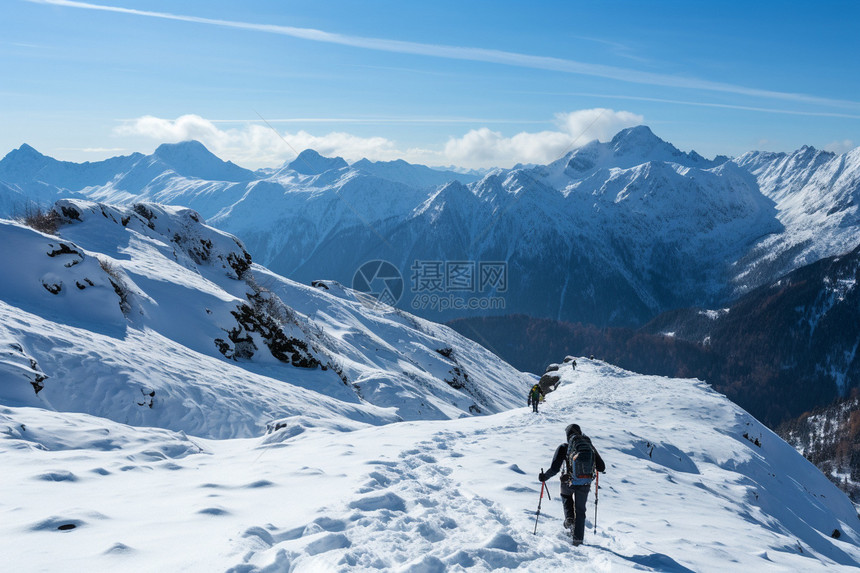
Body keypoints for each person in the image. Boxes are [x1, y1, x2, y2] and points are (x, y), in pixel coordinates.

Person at [539, 423, 605, 545]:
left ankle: (569, 518)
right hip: (585, 483)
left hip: (568, 482)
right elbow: (601, 467)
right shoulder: (589, 447)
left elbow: (554, 468)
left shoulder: (564, 447)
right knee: (580, 511)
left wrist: (544, 477)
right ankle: (578, 541)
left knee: (565, 496)